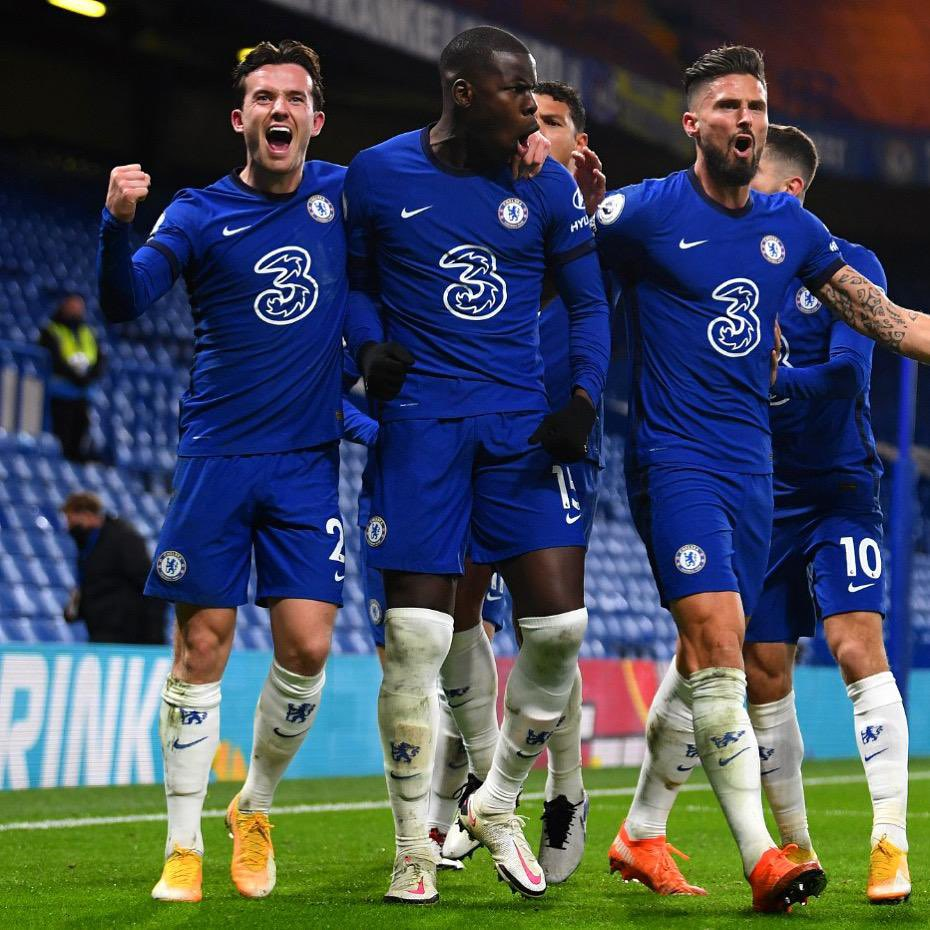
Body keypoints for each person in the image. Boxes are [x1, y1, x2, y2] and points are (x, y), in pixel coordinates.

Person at [595, 45, 929, 913]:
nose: (744, 119)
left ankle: (642, 830)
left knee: (707, 653)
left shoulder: (798, 237)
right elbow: (559, 268)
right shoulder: (642, 213)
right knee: (724, 647)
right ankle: (766, 856)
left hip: (766, 472)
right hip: (677, 459)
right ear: (692, 123)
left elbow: (888, 323)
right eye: (728, 106)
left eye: (756, 106)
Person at [344, 26, 610, 904]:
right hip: (422, 426)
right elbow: (355, 281)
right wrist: (367, 345)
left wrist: (583, 397)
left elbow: (588, 302)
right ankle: (411, 850)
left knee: (560, 629)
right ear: (464, 92)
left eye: (535, 92)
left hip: (519, 428)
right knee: (415, 640)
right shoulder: (377, 173)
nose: (531, 106)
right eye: (516, 91)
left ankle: (496, 799)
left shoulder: (544, 182)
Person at [97, 40, 347, 904]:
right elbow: (124, 301)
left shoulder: (346, 196)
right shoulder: (198, 213)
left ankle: (255, 807)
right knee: (201, 646)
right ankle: (181, 846)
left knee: (307, 646)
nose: (281, 110)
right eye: (264, 97)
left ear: (316, 119)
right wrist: (116, 225)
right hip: (216, 458)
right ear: (240, 118)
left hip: (306, 464)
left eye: (295, 98)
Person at [441, 80, 608, 884]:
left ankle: (564, 790)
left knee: (550, 625)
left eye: (550, 121)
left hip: (556, 442)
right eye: (524, 117)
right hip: (470, 437)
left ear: (579, 144)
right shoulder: (478, 206)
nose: (531, 130)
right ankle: (484, 788)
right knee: (457, 615)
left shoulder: (609, 224)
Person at [61, 491, 165, 644]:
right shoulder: (87, 544)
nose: (68, 526)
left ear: (87, 515)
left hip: (128, 633)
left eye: (70, 519)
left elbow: (146, 582)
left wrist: (154, 635)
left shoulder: (124, 538)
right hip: (100, 629)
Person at [38, 293, 105, 462]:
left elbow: (101, 358)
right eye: (72, 306)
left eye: (79, 307)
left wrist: (88, 377)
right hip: (59, 393)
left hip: (83, 393)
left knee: (80, 435)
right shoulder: (51, 330)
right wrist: (74, 376)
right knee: (61, 436)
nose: (76, 310)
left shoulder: (88, 332)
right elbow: (52, 358)